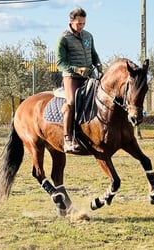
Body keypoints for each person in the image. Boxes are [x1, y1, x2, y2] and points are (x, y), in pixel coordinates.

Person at [55, 7, 102, 153]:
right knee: (72, 103)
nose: (81, 26)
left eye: (83, 23)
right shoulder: (63, 38)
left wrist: (98, 64)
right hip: (71, 77)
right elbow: (60, 63)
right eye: (78, 24)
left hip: (89, 76)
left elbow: (93, 54)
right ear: (71, 22)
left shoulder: (88, 36)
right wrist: (76, 69)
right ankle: (68, 138)